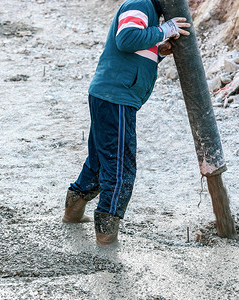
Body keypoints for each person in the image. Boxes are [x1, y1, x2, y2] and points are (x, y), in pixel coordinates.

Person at [62, 0, 190, 246]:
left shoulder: (148, 12)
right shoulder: (140, 4)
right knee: (120, 169)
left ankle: (72, 213)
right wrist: (166, 29)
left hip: (109, 95)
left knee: (100, 161)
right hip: (116, 98)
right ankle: (106, 239)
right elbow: (127, 39)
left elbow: (134, 52)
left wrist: (159, 51)